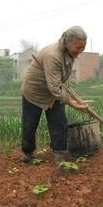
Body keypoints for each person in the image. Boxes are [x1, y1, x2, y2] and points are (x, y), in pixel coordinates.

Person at [19, 26, 89, 166]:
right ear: (68, 43)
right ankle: (28, 153)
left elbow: (58, 82)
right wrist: (72, 103)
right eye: (78, 47)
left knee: (59, 123)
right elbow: (56, 89)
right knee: (30, 124)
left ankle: (59, 155)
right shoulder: (53, 55)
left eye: (83, 47)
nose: (80, 51)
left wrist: (70, 97)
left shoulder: (69, 52)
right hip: (35, 91)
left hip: (53, 90)